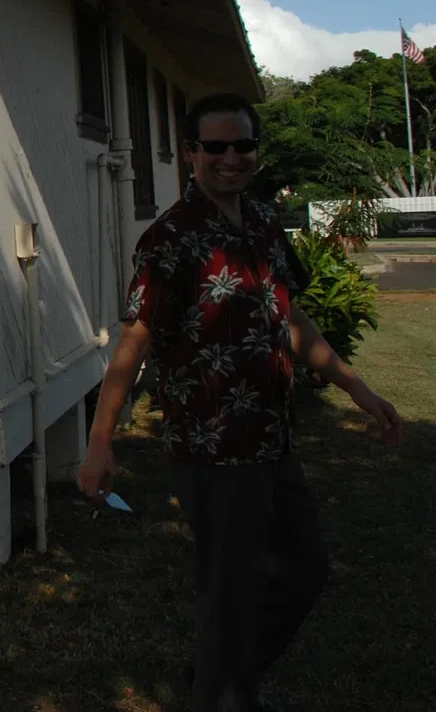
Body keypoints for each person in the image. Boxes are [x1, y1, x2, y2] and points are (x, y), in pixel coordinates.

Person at [78, 92, 402, 712]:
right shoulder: (170, 238)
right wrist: (99, 442)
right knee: (230, 594)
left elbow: (289, 316)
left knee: (305, 570)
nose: (231, 158)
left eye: (243, 145)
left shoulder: (261, 221)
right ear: (193, 152)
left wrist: (356, 387)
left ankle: (218, 678)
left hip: (272, 439)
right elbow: (134, 341)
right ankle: (225, 693)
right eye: (216, 147)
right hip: (211, 448)